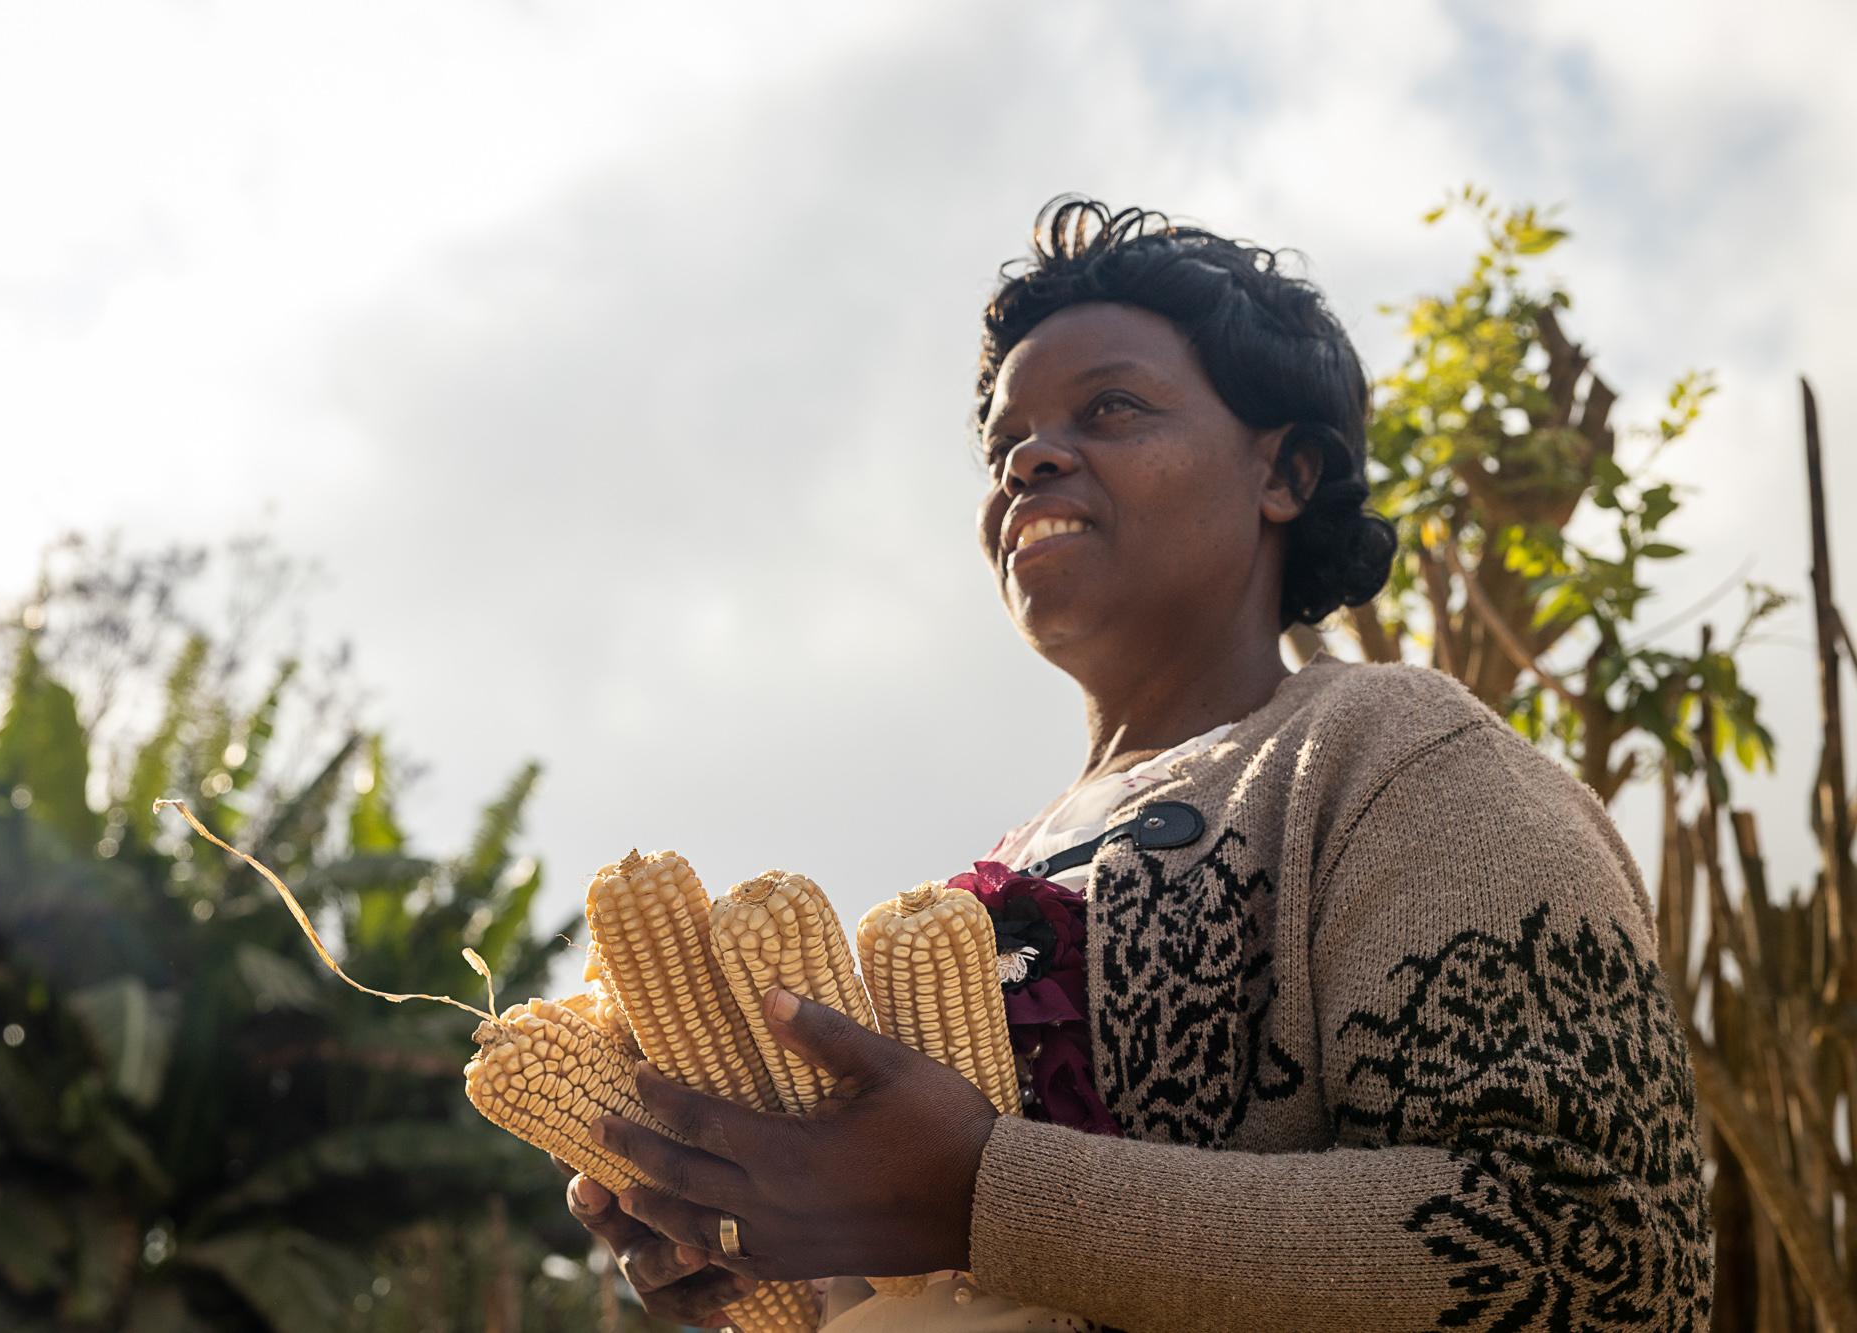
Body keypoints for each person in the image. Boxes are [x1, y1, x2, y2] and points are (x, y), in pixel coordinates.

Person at [559, 198, 1712, 1331]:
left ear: (1285, 475)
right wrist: (755, 1237)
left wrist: (977, 1193)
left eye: (1108, 408)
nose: (1026, 463)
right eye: (1002, 445)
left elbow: (1595, 1251)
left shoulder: (1389, 755)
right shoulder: (1008, 857)